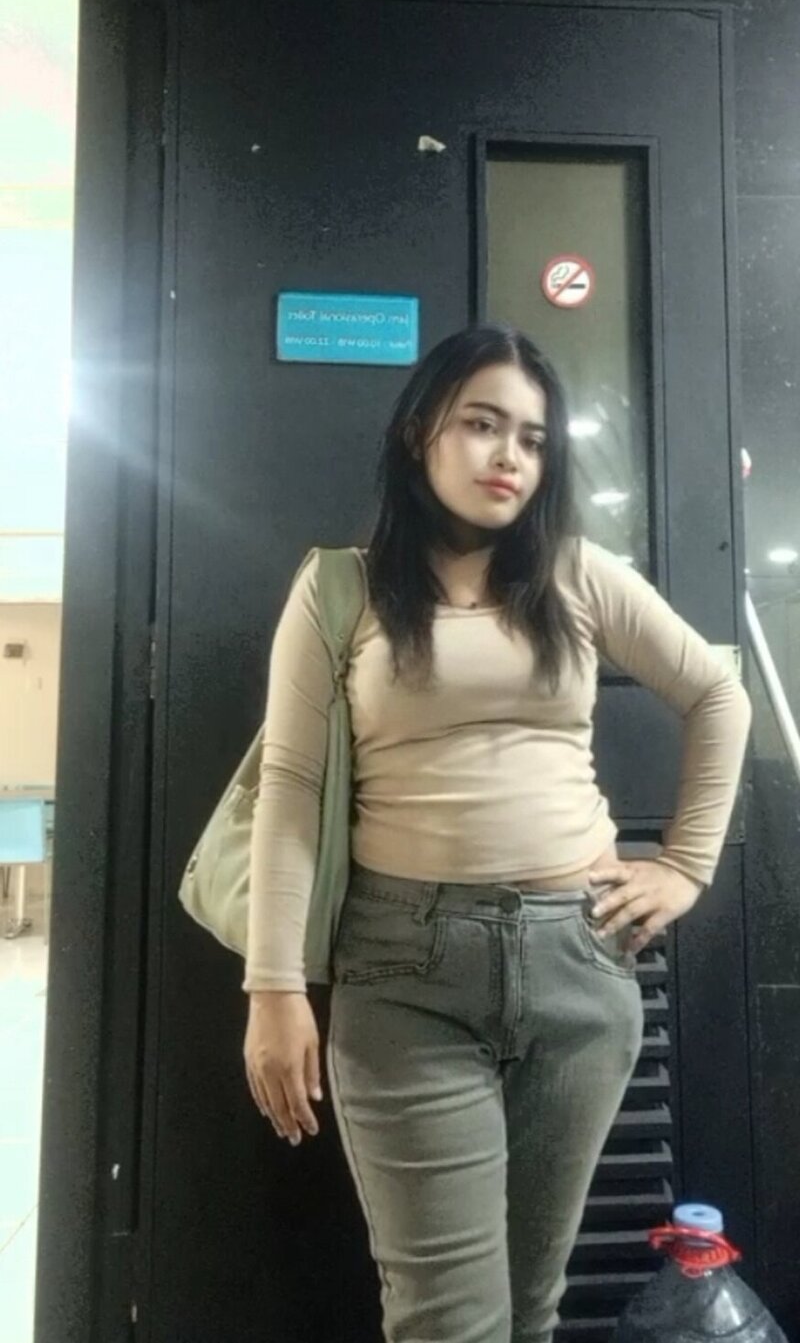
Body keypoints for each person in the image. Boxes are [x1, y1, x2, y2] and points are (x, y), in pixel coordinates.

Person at [242, 325, 752, 1343]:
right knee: (448, 1323)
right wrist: (273, 986)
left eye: (532, 437)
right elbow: (290, 789)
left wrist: (686, 866)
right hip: (405, 977)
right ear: (418, 431)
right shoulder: (340, 588)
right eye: (482, 424)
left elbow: (716, 691)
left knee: (527, 1309)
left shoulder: (576, 574)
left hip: (579, 963)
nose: (509, 455)